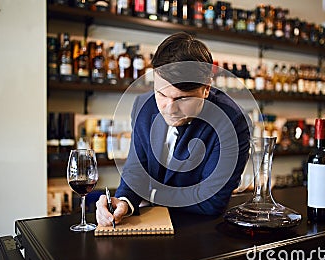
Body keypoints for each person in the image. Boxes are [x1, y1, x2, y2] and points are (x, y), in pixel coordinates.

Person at [96, 32, 250, 227]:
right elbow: (137, 168)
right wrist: (124, 201)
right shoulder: (143, 105)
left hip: (202, 233)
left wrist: (150, 193)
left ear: (206, 89)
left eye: (182, 98)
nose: (169, 108)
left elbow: (212, 201)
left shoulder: (233, 121)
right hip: (151, 226)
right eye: (161, 93)